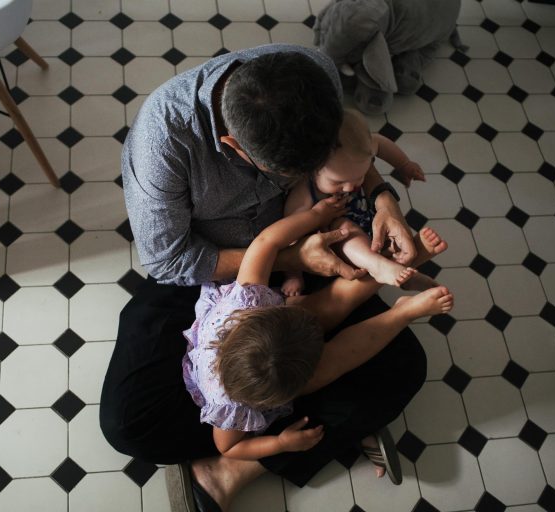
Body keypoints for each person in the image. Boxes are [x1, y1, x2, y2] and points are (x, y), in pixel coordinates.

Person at [99, 44, 430, 512]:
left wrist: (382, 198)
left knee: (407, 367)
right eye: (288, 174)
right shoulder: (165, 140)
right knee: (128, 424)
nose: (306, 179)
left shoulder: (312, 74)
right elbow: (170, 261)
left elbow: (351, 153)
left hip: (309, 245)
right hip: (212, 275)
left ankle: (239, 461)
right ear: (235, 146)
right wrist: (292, 259)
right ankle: (295, 433)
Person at [184, 195, 453, 465]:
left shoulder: (245, 302)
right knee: (334, 361)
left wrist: (315, 216)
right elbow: (229, 449)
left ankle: (394, 266)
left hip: (263, 335)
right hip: (271, 375)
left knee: (326, 305)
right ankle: (403, 312)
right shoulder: (230, 406)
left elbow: (266, 242)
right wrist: (279, 443)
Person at [282, 108, 435, 297]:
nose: (350, 187)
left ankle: (405, 273)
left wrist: (404, 165)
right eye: (338, 182)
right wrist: (293, 275)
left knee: (396, 240)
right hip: (342, 242)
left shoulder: (360, 151)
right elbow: (290, 237)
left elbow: (381, 143)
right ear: (311, 168)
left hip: (370, 219)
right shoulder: (304, 193)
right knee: (344, 228)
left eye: (360, 176)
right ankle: (377, 265)